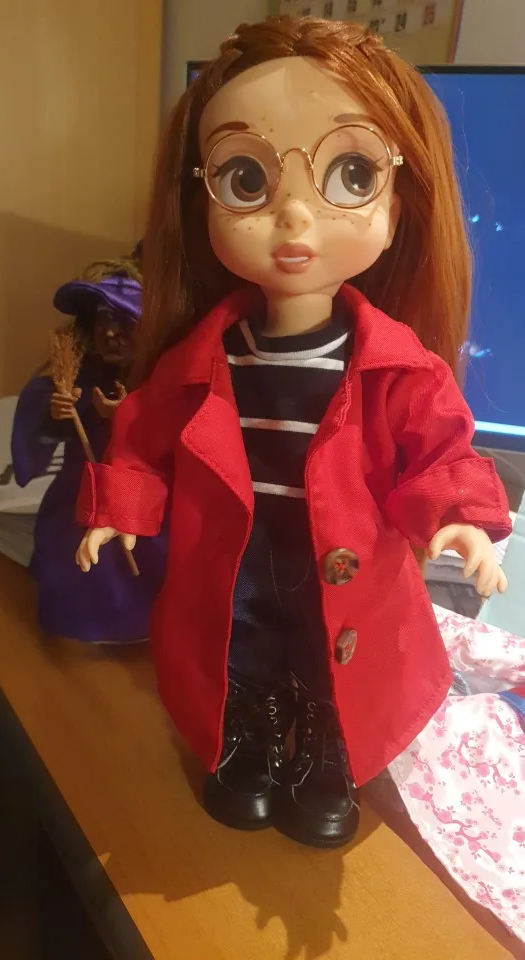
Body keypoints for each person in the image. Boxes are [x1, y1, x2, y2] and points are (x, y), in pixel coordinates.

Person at [75, 16, 511, 847]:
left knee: (325, 649)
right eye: (247, 178)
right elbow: (145, 432)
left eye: (351, 173)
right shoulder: (205, 356)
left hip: (341, 556)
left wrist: (460, 519)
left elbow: (438, 450)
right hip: (234, 549)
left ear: (398, 199)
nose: (295, 218)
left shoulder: (396, 366)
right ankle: (245, 739)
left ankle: (324, 749)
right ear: (200, 196)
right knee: (243, 646)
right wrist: (119, 506)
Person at [12, 262, 167, 643]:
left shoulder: (163, 376)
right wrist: (60, 414)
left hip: (143, 504)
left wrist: (129, 416)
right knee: (76, 561)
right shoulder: (77, 377)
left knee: (147, 567)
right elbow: (40, 421)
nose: (111, 332)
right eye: (103, 319)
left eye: (123, 320)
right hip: (79, 495)